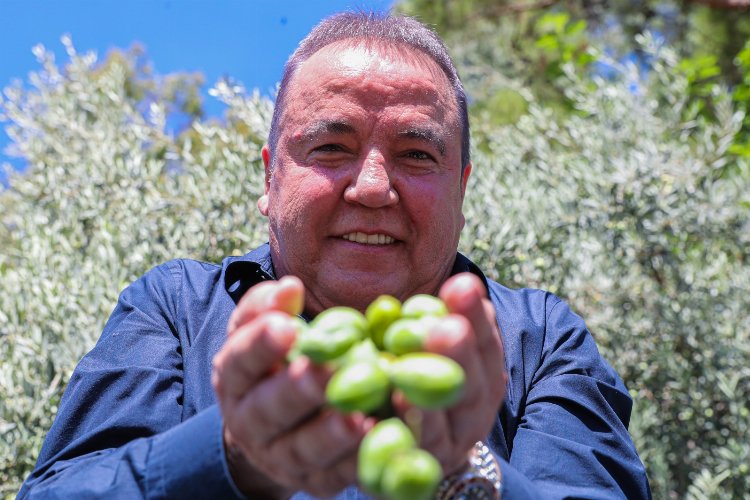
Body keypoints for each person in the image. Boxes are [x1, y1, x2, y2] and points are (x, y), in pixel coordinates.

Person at [19, 11, 651, 500]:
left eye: (416, 155)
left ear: (461, 188)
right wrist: (231, 456)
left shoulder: (541, 339)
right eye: (329, 148)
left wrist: (466, 477)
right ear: (270, 181)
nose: (373, 186)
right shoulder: (174, 309)